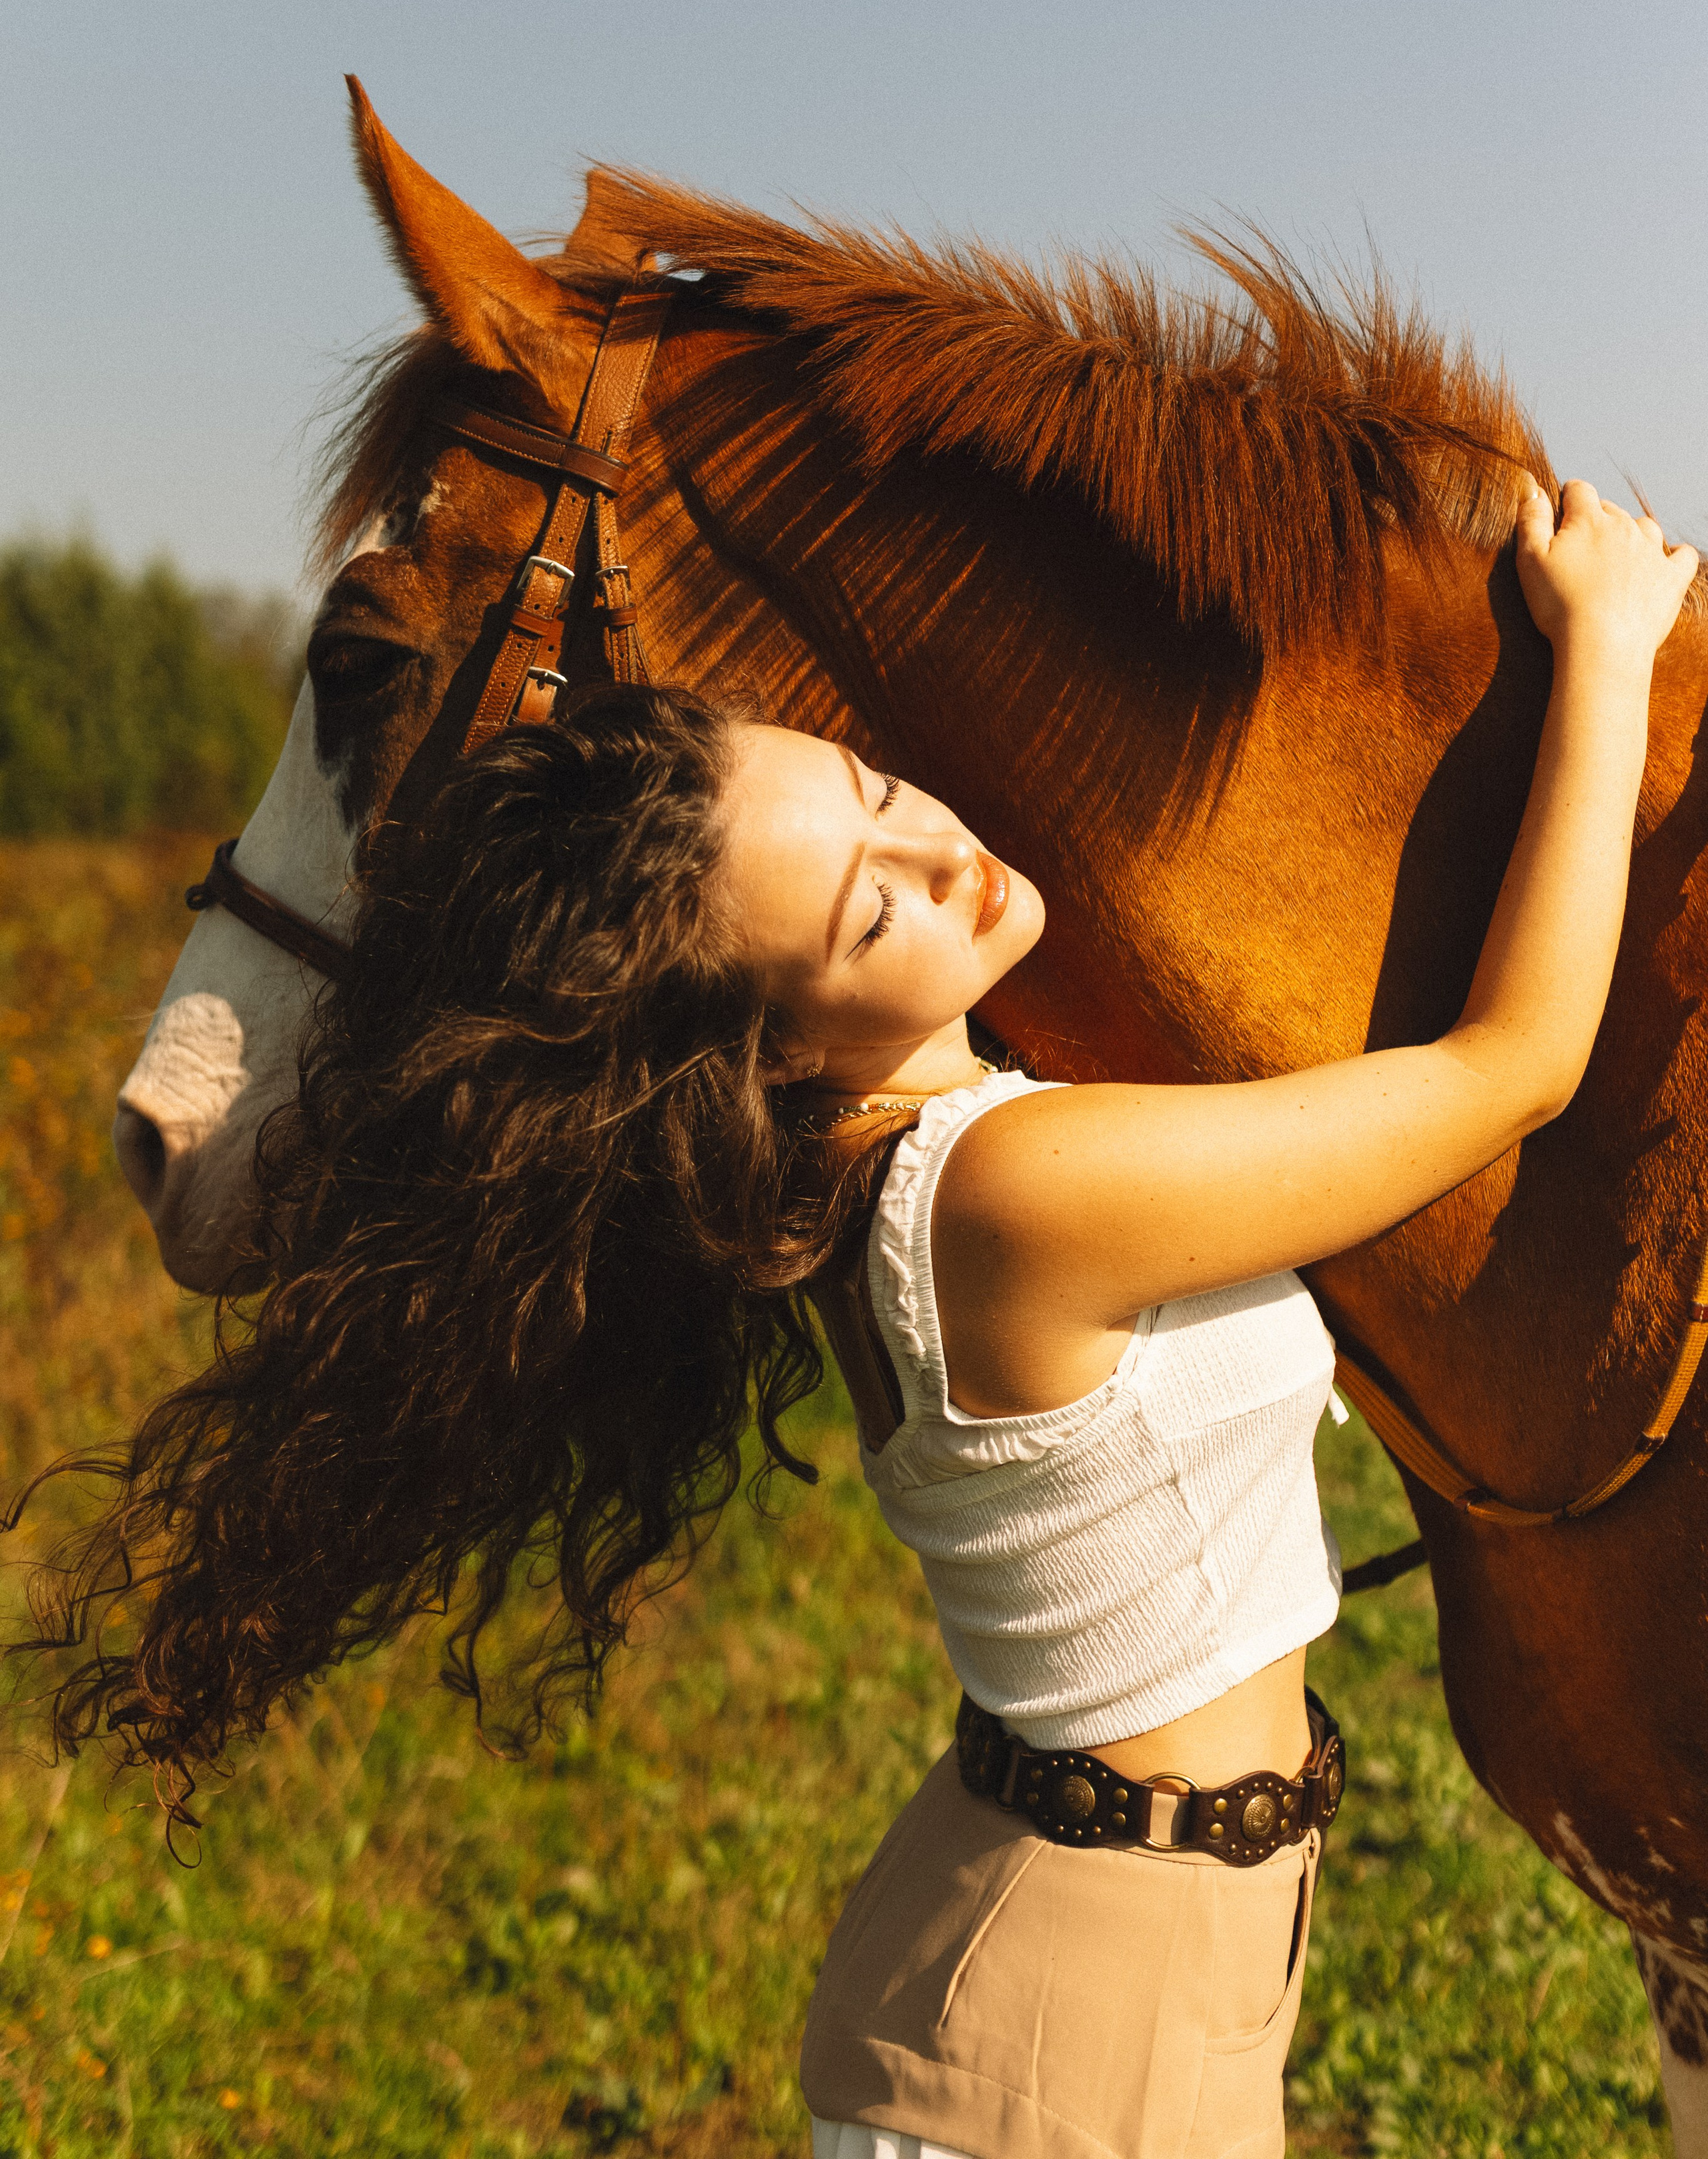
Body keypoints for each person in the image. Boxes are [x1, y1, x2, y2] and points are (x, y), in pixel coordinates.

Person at [17, 482, 1695, 2159]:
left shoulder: (866, 1171)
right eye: (869, 909)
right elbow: (1511, 1068)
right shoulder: (1017, 1192)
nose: (943, 858)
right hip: (1038, 2058)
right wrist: (1608, 648)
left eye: (881, 791)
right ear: (778, 1052)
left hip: (1120, 1991)